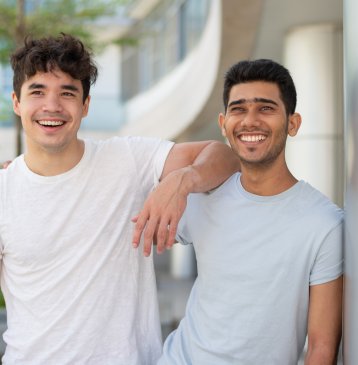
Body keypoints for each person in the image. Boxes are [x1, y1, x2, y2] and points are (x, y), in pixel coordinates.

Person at [0, 34, 239, 364]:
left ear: (85, 105)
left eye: (67, 93)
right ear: (16, 102)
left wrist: (182, 182)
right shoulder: (4, 192)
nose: (52, 106)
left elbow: (224, 156)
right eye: (37, 91)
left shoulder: (129, 159)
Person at [154, 59, 343, 364]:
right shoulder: (204, 197)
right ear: (223, 124)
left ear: (292, 123)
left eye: (266, 108)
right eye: (238, 109)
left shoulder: (324, 224)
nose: (250, 121)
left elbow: (322, 347)